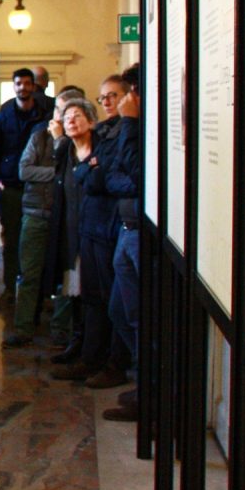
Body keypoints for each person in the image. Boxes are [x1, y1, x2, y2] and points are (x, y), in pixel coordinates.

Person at [52, 98, 127, 388]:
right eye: (67, 116)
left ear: (92, 121)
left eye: (78, 115)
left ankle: (111, 363)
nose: (71, 120)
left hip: (107, 231)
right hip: (84, 230)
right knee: (91, 298)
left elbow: (98, 182)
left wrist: (89, 168)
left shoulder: (104, 147)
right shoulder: (68, 150)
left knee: (111, 301)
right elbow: (80, 179)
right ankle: (89, 357)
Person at [4, 88, 85, 348]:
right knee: (29, 273)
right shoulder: (38, 137)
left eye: (70, 111)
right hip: (36, 213)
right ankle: (23, 326)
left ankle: (61, 329)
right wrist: (56, 175)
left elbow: (77, 173)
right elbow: (24, 170)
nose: (62, 116)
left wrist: (62, 145)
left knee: (64, 274)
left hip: (67, 219)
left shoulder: (82, 141)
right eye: (59, 110)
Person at [87, 65, 142, 413]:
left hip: (137, 229)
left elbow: (132, 176)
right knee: (119, 309)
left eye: (116, 96)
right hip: (126, 225)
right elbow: (107, 177)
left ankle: (146, 389)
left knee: (135, 311)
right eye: (103, 97)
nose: (112, 103)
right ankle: (142, 379)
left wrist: (115, 178)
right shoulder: (117, 130)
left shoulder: (134, 126)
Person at [0, 69, 47, 311]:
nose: (22, 87)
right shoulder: (5, 114)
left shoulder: (44, 114)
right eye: (18, 84)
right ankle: (10, 289)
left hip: (36, 187)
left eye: (26, 83)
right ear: (13, 87)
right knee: (11, 240)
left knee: (35, 240)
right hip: (11, 186)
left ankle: (36, 293)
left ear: (34, 86)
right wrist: (0, 179)